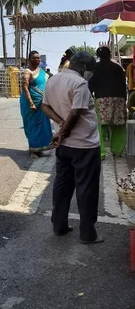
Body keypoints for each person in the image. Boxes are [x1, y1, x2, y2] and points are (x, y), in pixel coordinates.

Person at [42, 52, 103, 244]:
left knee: (62, 186)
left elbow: (45, 106)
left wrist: (60, 127)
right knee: (87, 190)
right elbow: (76, 112)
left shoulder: (53, 80)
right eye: (91, 69)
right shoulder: (80, 84)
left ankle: (59, 225)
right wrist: (64, 130)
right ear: (83, 66)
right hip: (84, 145)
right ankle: (87, 234)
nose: (91, 74)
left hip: (64, 146)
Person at [89, 46, 127, 159]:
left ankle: (101, 153)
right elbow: (123, 84)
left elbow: (92, 83)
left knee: (100, 126)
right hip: (118, 99)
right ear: (110, 55)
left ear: (98, 56)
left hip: (102, 99)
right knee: (119, 125)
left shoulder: (95, 67)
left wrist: (89, 94)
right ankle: (117, 150)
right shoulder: (118, 67)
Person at [20, 51, 53, 157]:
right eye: (34, 58)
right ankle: (33, 149)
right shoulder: (27, 72)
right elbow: (25, 88)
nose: (37, 60)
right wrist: (31, 103)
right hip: (30, 103)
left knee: (42, 125)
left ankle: (40, 147)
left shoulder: (42, 72)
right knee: (33, 125)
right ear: (29, 59)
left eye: (38, 58)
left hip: (42, 103)